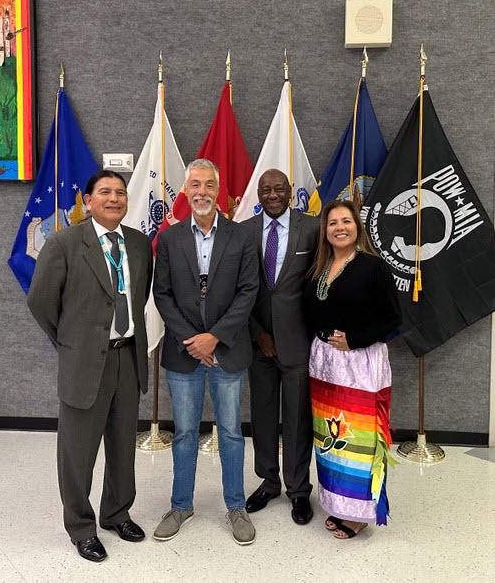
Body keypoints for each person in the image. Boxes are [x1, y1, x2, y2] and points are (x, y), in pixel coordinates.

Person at [27, 170, 153, 562]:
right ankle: (81, 527)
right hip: (84, 362)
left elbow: (139, 294)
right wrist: (73, 341)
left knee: (121, 445)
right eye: (105, 192)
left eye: (120, 192)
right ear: (88, 198)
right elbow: (42, 301)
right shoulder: (65, 242)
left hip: (127, 357)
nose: (114, 198)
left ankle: (116, 513)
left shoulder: (138, 243)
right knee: (78, 451)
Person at [153, 159, 259, 545]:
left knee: (231, 432)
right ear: (185, 190)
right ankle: (181, 504)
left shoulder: (242, 236)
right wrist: (192, 342)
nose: (202, 191)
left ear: (219, 190)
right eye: (195, 184)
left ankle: (236, 506)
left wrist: (214, 337)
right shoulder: (168, 238)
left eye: (209, 184)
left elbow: (249, 291)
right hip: (184, 354)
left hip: (227, 351)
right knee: (183, 433)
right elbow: (161, 294)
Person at [302, 200, 401, 539]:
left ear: (357, 227)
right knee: (332, 437)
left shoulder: (372, 266)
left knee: (358, 439)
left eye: (346, 221)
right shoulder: (320, 266)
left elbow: (393, 319)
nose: (339, 227)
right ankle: (337, 503)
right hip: (325, 364)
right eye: (332, 223)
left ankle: (358, 511)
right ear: (325, 230)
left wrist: (355, 339)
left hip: (360, 363)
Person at [241, 169, 319, 525]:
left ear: (291, 192)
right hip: (259, 343)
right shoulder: (244, 232)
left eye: (279, 189)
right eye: (265, 189)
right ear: (257, 193)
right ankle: (269, 481)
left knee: (298, 418)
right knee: (263, 415)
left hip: (299, 342)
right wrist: (258, 333)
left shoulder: (314, 229)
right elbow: (239, 289)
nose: (272, 194)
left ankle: (299, 490)